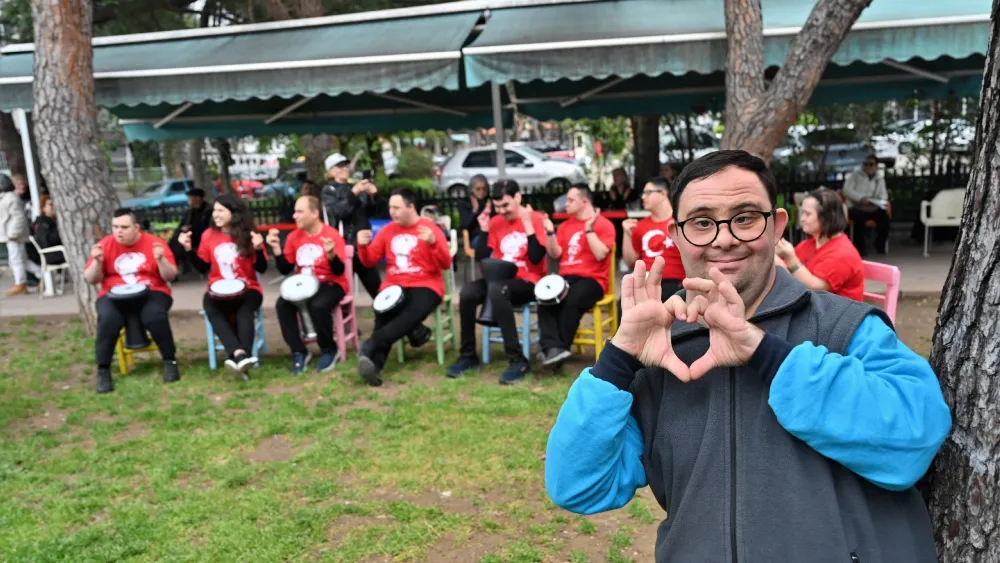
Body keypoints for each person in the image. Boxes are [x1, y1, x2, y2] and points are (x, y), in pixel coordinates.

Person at [544, 150, 951, 563]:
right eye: (702, 223)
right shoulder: (661, 350)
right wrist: (618, 361)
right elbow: (580, 485)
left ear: (776, 227)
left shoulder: (845, 326)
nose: (724, 238)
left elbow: (914, 439)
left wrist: (766, 354)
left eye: (744, 218)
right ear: (676, 234)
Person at [447, 180, 548, 384]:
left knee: (498, 289)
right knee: (467, 292)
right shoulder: (495, 222)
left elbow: (537, 257)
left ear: (517, 197)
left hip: (528, 281)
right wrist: (484, 229)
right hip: (498, 277)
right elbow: (482, 257)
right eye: (497, 207)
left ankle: (518, 360)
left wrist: (528, 225)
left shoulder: (536, 218)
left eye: (505, 205)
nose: (501, 211)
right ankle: (468, 355)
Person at [355, 188, 453, 386]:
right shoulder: (388, 230)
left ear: (411, 207)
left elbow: (446, 264)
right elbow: (369, 261)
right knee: (383, 312)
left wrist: (434, 244)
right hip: (395, 284)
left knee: (411, 311)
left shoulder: (429, 228)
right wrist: (363, 247)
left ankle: (370, 345)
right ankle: (374, 365)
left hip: (426, 283)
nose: (392, 212)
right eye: (390, 207)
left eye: (397, 208)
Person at [84, 209, 181, 394]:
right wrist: (96, 262)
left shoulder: (155, 243)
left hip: (152, 290)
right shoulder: (105, 245)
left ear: (137, 228)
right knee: (108, 319)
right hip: (113, 293)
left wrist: (160, 260)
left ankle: (170, 361)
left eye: (124, 227)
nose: (118, 231)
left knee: (154, 316)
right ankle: (103, 370)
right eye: (115, 227)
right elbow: (90, 279)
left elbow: (170, 275)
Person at [179, 194, 268, 374]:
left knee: (244, 310)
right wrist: (188, 249)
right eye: (214, 211)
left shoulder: (249, 234)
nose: (216, 215)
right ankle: (239, 354)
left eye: (221, 210)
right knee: (211, 306)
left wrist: (258, 250)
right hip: (218, 289)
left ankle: (239, 355)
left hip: (248, 288)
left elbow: (262, 267)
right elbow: (203, 267)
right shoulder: (208, 235)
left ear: (234, 213)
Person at [267, 195, 349, 375]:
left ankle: (328, 349)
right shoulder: (294, 237)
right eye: (295, 212)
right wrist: (276, 250)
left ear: (315, 213)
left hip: (330, 283)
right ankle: (299, 351)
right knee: (282, 305)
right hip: (302, 285)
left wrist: (331, 255)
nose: (294, 216)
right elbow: (285, 269)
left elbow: (338, 271)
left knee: (319, 305)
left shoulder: (331, 235)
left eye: (299, 212)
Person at [537, 186, 615, 367]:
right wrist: (550, 233)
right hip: (566, 279)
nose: (566, 204)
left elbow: (601, 254)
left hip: (593, 280)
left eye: (571, 200)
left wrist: (589, 230)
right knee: (544, 300)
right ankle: (554, 349)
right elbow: (555, 254)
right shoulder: (565, 226)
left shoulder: (603, 224)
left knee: (570, 301)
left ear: (585, 201)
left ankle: (555, 351)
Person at [775, 187, 865, 301]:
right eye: (802, 213)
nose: (802, 219)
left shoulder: (842, 254)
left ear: (826, 217)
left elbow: (813, 289)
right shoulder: (808, 244)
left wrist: (790, 257)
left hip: (838, 316)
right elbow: (786, 274)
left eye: (807, 214)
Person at [320, 153, 382, 299]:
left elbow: (372, 212)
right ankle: (345, 320)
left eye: (346, 165)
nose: (345, 168)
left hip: (362, 244)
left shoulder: (354, 186)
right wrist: (354, 192)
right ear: (331, 170)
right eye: (340, 166)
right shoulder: (329, 190)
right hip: (343, 245)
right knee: (343, 291)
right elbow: (339, 212)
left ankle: (388, 317)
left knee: (377, 288)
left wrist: (374, 195)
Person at [622, 176, 685, 297]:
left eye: (648, 192)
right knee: (624, 302)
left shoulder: (681, 221)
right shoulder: (640, 226)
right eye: (643, 193)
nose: (643, 197)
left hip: (674, 281)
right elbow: (630, 262)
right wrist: (626, 233)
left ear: (662, 193)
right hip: (645, 279)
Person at [0, 173, 41, 297]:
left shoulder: (11, 198)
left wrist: (13, 234)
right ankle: (43, 274)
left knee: (16, 260)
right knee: (21, 260)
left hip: (14, 236)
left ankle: (20, 284)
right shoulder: (6, 197)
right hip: (11, 235)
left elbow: (18, 218)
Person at [843, 155, 891, 256]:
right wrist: (860, 198)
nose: (868, 166)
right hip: (857, 207)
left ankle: (880, 246)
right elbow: (847, 190)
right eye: (866, 164)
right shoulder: (855, 176)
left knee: (885, 220)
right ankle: (860, 250)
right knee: (858, 222)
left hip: (873, 207)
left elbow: (884, 195)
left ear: (876, 166)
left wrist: (876, 200)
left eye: (871, 164)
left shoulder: (879, 179)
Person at [169, 187, 212, 273]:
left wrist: (191, 228)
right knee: (174, 241)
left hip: (202, 237)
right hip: (189, 236)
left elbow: (207, 226)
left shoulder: (208, 210)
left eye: (191, 197)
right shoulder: (189, 211)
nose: (189, 200)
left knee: (179, 243)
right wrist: (183, 228)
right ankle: (173, 268)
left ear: (198, 198)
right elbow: (182, 225)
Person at [27, 195, 65, 266]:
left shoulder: (50, 221)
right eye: (50, 204)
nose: (54, 206)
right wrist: (62, 232)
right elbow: (46, 240)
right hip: (54, 255)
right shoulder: (42, 223)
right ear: (43, 208)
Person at [458, 174, 490, 246]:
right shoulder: (465, 204)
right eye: (478, 189)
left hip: (491, 234)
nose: (481, 191)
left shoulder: (489, 202)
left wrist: (488, 210)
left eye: (484, 189)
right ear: (472, 189)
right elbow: (464, 225)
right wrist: (474, 210)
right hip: (477, 236)